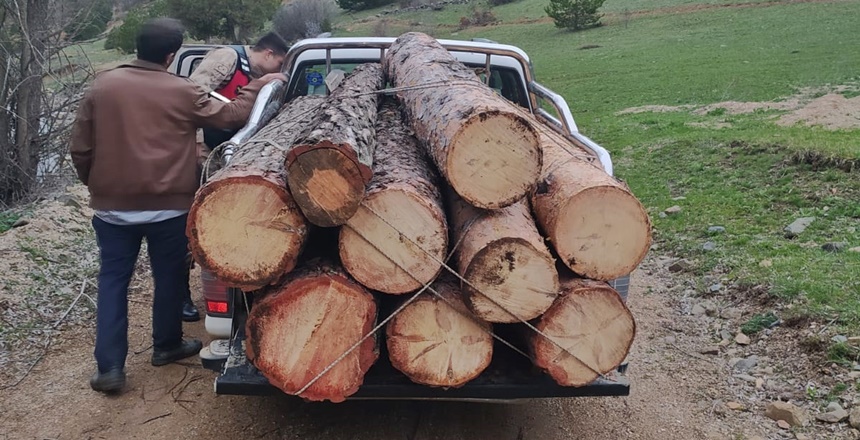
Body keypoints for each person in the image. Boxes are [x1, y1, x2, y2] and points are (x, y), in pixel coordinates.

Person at [70, 17, 287, 394]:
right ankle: (166, 345)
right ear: (171, 56)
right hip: (168, 207)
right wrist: (260, 84)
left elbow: (80, 147)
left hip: (112, 209)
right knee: (168, 276)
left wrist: (98, 184)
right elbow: (232, 115)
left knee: (112, 281)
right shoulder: (181, 91)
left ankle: (109, 368)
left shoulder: (102, 85)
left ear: (137, 47)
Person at [177, 31, 290, 322]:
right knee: (197, 221)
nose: (280, 70)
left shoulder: (256, 73)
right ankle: (180, 295)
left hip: (230, 152)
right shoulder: (228, 57)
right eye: (280, 63)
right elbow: (191, 95)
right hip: (206, 152)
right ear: (268, 54)